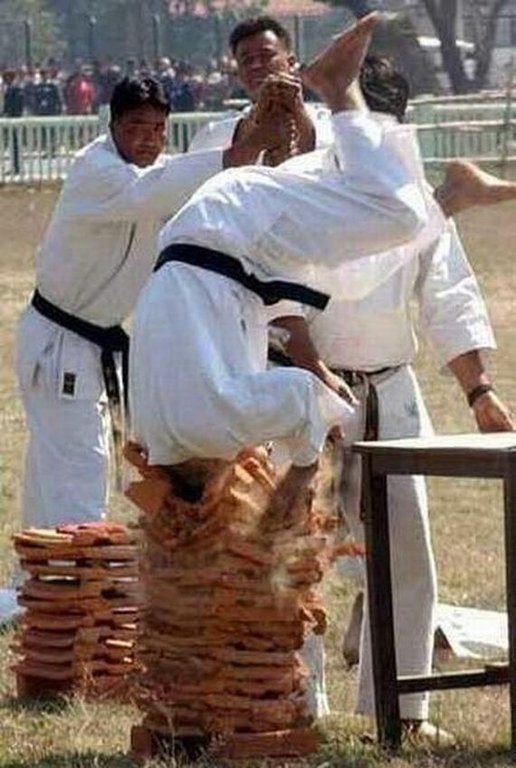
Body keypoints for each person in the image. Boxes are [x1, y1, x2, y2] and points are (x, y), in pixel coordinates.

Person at [271, 55, 515, 740]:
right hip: (304, 388)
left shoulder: (413, 199)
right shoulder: (301, 182)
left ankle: (401, 710)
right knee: (295, 552)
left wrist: (480, 391)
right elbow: (279, 298)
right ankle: (291, 702)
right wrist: (315, 379)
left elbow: (448, 295)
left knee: (406, 551)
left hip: (390, 390)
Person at [129, 14, 429, 511]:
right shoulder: (158, 435)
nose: (249, 474)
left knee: (399, 213)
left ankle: (338, 86)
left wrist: (289, 491)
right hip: (223, 247)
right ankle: (442, 195)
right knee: (371, 251)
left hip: (232, 231)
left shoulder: (212, 428)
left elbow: (304, 394)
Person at [15, 73, 285, 530]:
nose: (148, 139)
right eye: (136, 127)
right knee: (79, 469)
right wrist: (245, 147)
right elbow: (158, 188)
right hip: (61, 342)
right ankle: (73, 568)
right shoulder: (96, 171)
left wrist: (251, 126)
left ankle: (37, 568)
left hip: (87, 343)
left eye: (158, 129)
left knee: (56, 467)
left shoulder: (153, 176)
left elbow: (187, 172)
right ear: (112, 126)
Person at [189, 15, 333, 161]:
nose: (256, 65)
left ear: (290, 63)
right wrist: (255, 121)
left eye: (266, 56)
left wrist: (297, 112)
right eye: (247, 60)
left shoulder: (326, 122)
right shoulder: (216, 132)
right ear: (238, 72)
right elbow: (201, 163)